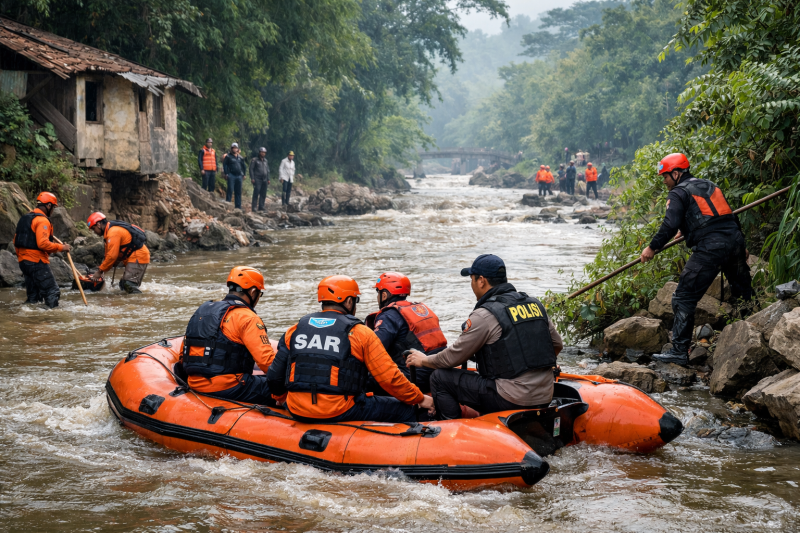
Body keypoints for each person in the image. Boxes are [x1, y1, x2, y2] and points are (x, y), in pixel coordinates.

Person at [407, 254, 563, 420]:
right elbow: (556, 344)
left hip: (511, 398)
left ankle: (449, 428)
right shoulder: (534, 305)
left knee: (440, 378)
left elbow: (452, 358)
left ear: (481, 281)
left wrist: (424, 360)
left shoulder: (485, 315)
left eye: (472, 279)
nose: (472, 284)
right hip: (545, 394)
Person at [266, 275, 434, 424]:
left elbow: (275, 376)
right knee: (407, 410)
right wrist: (420, 399)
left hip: (296, 408)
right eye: (355, 300)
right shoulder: (360, 333)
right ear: (348, 302)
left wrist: (281, 399)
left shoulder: (295, 329)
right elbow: (390, 378)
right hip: (341, 410)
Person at [641, 153, 753, 366]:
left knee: (683, 296)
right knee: (743, 292)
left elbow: (669, 224)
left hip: (711, 247)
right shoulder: (710, 185)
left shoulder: (678, 192)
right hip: (734, 240)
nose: (664, 181)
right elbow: (726, 215)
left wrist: (652, 247)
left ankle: (679, 351)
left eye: (665, 176)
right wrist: (741, 245)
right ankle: (753, 330)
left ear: (676, 173)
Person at [180, 266, 276, 404]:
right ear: (253, 292)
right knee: (286, 388)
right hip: (228, 386)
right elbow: (267, 363)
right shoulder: (247, 317)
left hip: (195, 383)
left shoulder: (203, 311)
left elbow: (183, 354)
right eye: (259, 294)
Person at [364, 272, 447, 393]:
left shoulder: (388, 315)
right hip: (439, 371)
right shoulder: (420, 308)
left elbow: (372, 349)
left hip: (415, 376)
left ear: (384, 295)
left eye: (378, 292)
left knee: (362, 379)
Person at [14, 192, 70, 308]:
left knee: (34, 297)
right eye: (53, 207)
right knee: (52, 292)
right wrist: (62, 248)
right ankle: (51, 316)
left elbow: (16, 241)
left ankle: (32, 317)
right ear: (48, 205)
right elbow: (43, 244)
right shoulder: (42, 221)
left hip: (23, 262)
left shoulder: (24, 219)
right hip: (36, 262)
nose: (53, 210)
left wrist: (22, 259)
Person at [87, 212, 150, 294]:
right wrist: (102, 270)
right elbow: (108, 255)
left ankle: (139, 300)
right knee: (123, 285)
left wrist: (99, 272)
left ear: (98, 224)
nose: (94, 232)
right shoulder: (108, 233)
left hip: (139, 256)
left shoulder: (113, 232)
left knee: (129, 284)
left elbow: (112, 256)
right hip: (132, 256)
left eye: (93, 228)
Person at [223, 142, 247, 209]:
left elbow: (244, 166)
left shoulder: (240, 157)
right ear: (231, 149)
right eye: (233, 148)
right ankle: (228, 205)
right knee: (230, 190)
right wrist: (226, 173)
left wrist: (244, 174)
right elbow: (225, 165)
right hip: (231, 175)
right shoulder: (228, 156)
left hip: (239, 176)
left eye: (236, 148)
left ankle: (238, 206)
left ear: (237, 149)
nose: (235, 149)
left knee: (238, 191)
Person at [250, 147, 270, 212]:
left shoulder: (266, 161)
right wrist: (252, 178)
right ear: (259, 152)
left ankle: (261, 206)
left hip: (265, 179)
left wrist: (268, 179)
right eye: (262, 152)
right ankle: (254, 207)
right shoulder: (255, 160)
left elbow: (267, 170)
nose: (263, 153)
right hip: (257, 178)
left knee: (263, 193)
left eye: (264, 152)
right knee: (256, 192)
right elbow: (251, 169)